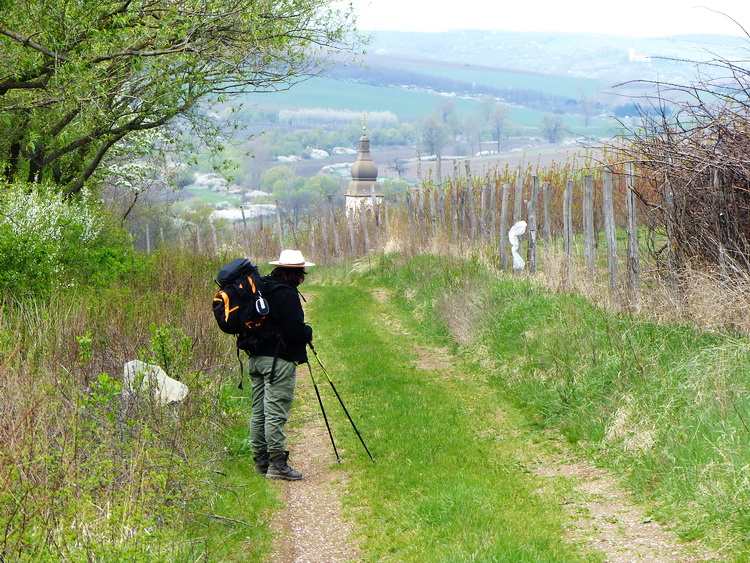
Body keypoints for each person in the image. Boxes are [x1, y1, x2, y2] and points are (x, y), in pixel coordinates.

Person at [249, 249, 314, 481]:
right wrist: (308, 331)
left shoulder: (262, 287)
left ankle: (261, 462)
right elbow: (296, 332)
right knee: (276, 412)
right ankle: (277, 466)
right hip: (278, 361)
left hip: (255, 358)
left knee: (259, 411)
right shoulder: (286, 294)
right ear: (298, 272)